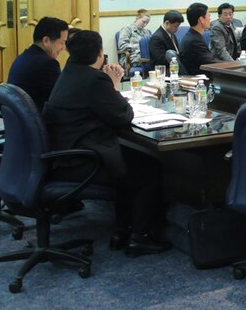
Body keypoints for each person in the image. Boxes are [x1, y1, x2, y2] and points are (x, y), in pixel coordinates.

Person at [43, 30, 170, 257]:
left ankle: (123, 229)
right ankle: (141, 236)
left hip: (67, 151)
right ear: (100, 53)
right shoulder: (95, 80)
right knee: (148, 168)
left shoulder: (69, 73)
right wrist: (112, 85)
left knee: (131, 159)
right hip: (84, 159)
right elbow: (123, 115)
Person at [7, 16, 69, 112]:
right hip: (40, 122)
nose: (63, 48)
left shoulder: (24, 57)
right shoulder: (47, 64)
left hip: (21, 121)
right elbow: (62, 100)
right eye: (62, 42)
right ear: (46, 41)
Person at [179, 2, 215, 75]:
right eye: (208, 15)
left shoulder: (191, 35)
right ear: (201, 19)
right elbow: (211, 63)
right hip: (200, 79)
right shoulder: (194, 41)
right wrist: (231, 64)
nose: (210, 18)